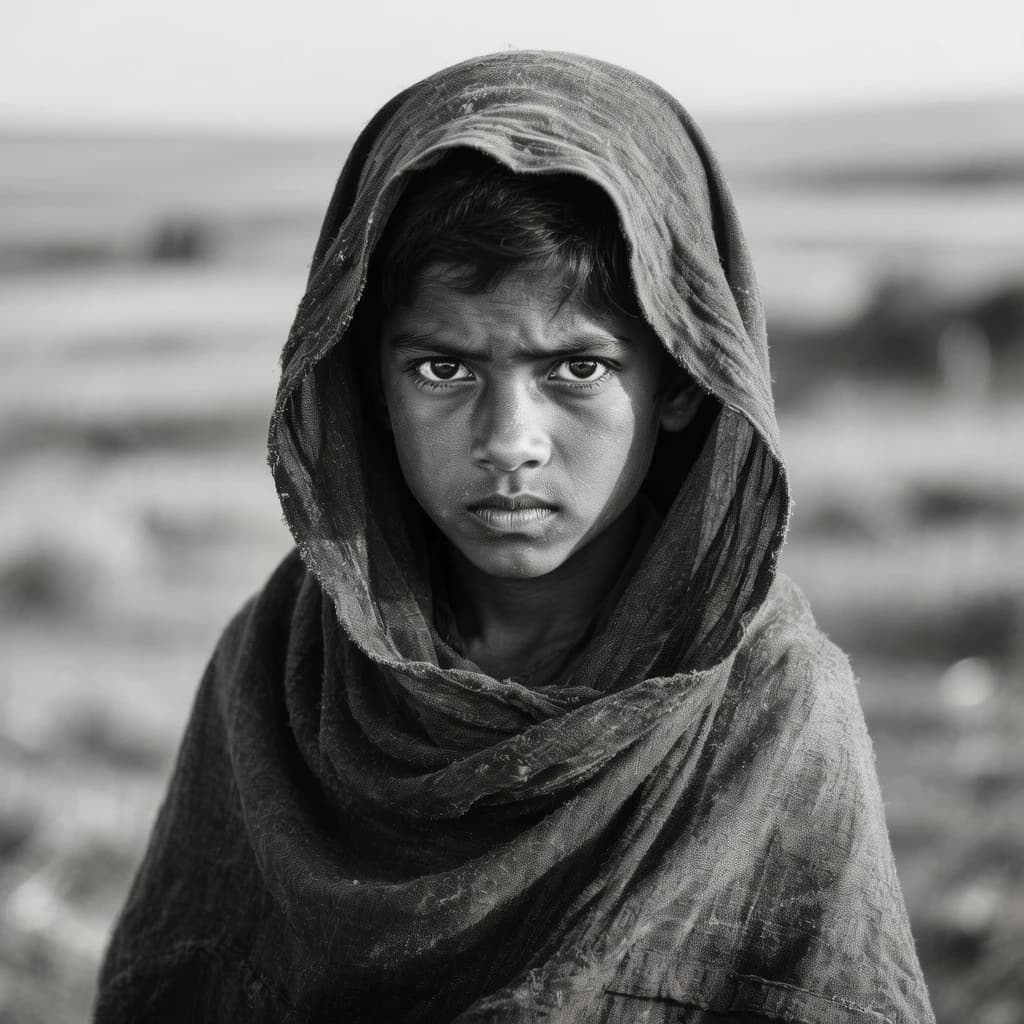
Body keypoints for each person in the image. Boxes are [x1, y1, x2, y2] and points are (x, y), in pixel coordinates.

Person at [93, 51, 934, 1023]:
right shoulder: (285, 668)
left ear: (681, 381)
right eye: (443, 369)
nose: (508, 443)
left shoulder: (766, 701)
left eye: (577, 368)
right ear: (367, 380)